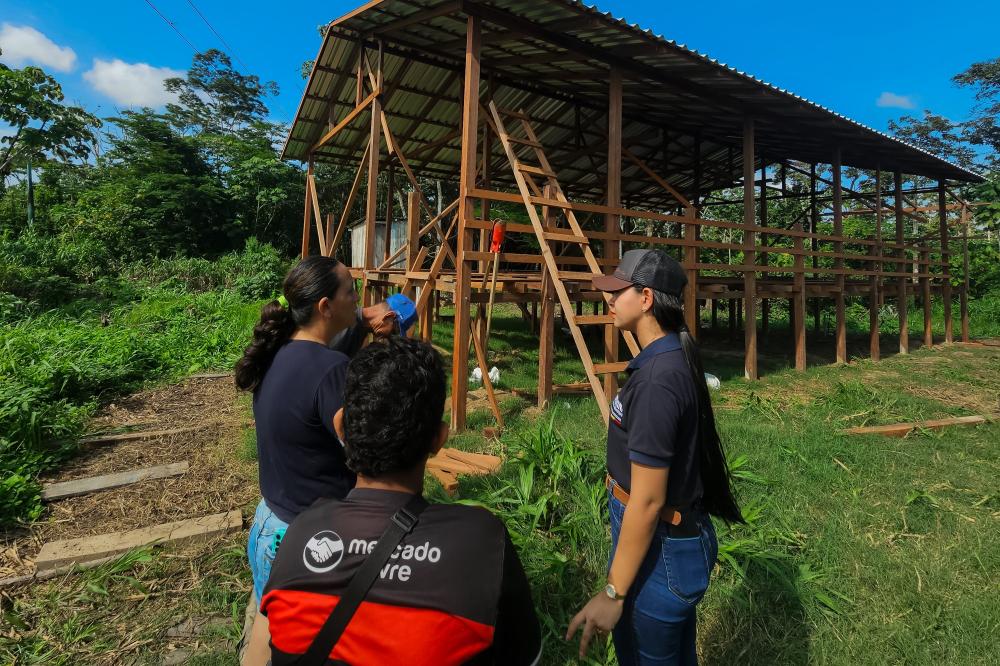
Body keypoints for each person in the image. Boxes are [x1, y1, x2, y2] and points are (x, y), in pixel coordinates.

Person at [254, 337, 542, 665]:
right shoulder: (482, 544)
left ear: (341, 429)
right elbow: (527, 655)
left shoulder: (298, 534)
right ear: (439, 438)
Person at [234, 256, 415, 664]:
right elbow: (367, 454)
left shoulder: (281, 352)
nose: (359, 300)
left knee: (266, 637)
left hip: (270, 524)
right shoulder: (330, 371)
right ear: (324, 307)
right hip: (309, 544)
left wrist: (362, 323)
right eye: (351, 292)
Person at [567, 249, 743, 666]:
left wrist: (613, 593)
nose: (609, 300)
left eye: (617, 291)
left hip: (660, 551)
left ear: (646, 298)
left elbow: (646, 501)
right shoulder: (669, 359)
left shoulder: (658, 381)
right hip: (670, 544)